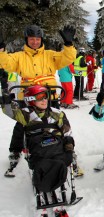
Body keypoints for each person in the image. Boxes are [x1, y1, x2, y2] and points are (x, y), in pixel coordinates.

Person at [0, 24, 76, 170]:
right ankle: (16, 150)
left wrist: (68, 44)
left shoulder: (50, 55)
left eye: (37, 39)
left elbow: (67, 58)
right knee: (22, 123)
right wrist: (1, 50)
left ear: (41, 40)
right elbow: (6, 63)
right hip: (29, 96)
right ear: (26, 40)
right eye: (31, 39)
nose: (35, 42)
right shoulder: (19, 57)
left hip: (49, 95)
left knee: (57, 121)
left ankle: (65, 146)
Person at [1, 85, 78, 191]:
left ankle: (55, 169)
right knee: (22, 130)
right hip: (38, 146)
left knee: (60, 153)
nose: (44, 100)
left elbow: (67, 133)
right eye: (40, 97)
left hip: (56, 144)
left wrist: (69, 149)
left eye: (45, 96)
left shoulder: (57, 114)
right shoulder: (26, 114)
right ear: (31, 100)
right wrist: (6, 103)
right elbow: (10, 112)